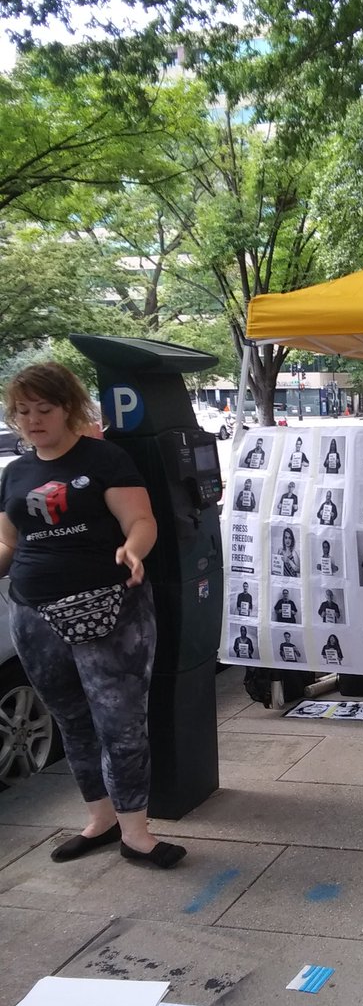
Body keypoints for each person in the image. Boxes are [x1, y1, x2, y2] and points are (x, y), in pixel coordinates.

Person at [0, 361, 185, 869]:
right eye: (22, 411)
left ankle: (136, 833)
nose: (33, 420)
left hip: (109, 607)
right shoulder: (15, 472)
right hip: (33, 612)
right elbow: (8, 543)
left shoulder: (104, 458)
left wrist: (133, 550)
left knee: (121, 724)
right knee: (72, 721)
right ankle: (100, 821)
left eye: (44, 409)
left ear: (67, 408)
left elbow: (141, 520)